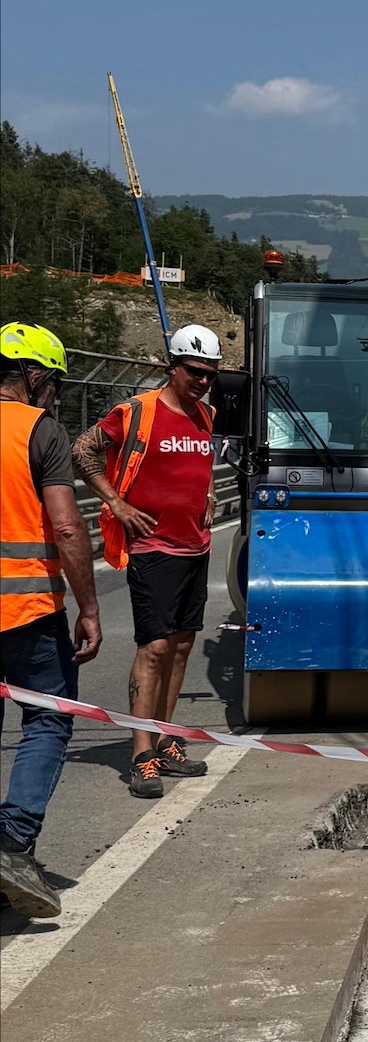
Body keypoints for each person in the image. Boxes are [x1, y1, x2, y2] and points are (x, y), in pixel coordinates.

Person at [74, 324, 221, 799]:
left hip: (196, 546)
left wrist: (210, 493)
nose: (203, 381)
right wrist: (115, 503)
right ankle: (142, 754)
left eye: (210, 374)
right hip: (153, 548)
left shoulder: (206, 416)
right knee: (153, 649)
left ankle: (163, 737)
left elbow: (196, 469)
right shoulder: (137, 412)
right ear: (171, 367)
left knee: (180, 648)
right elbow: (83, 450)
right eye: (195, 371)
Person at [0, 322, 102, 921]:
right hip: (26, 612)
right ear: (34, 376)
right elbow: (66, 527)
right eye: (54, 383)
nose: (55, 395)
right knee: (47, 719)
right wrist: (88, 608)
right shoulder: (40, 431)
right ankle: (12, 842)